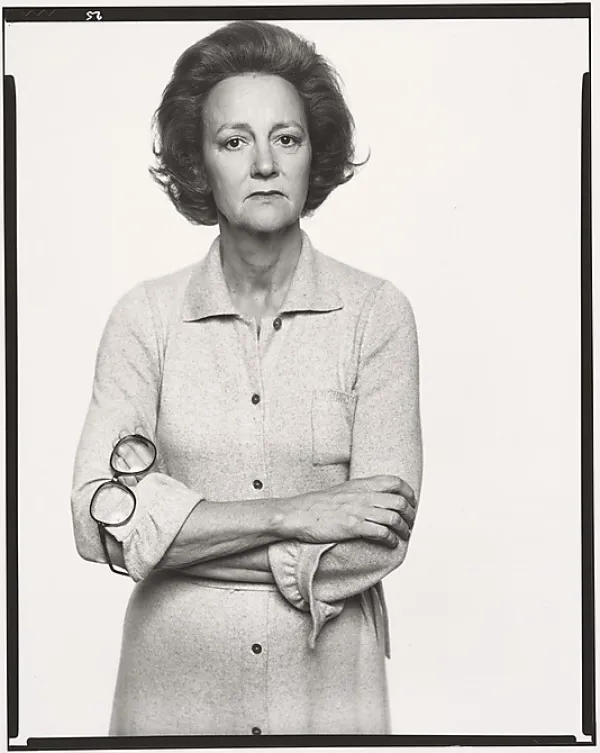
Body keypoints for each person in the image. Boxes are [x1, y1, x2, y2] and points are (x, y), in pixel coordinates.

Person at [71, 19, 422, 736]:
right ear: (199, 163)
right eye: (234, 141)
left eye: (286, 138)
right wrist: (298, 515)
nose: (264, 163)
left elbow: (379, 537)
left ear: (313, 153)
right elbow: (100, 518)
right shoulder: (145, 318)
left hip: (328, 703)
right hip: (173, 700)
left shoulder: (376, 314)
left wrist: (173, 543)